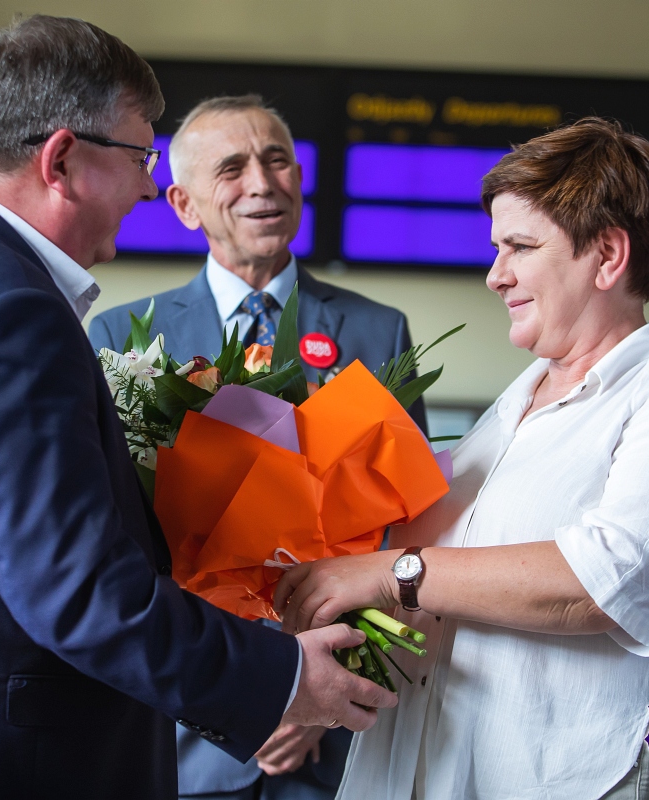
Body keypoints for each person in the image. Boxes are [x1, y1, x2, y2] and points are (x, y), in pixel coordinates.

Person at [0, 17, 394, 799]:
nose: (146, 188)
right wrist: (281, 677)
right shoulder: (11, 312)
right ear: (62, 160)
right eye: (138, 158)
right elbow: (78, 589)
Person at [273, 117, 649, 800]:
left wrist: (389, 571)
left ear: (607, 256)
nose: (495, 276)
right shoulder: (501, 420)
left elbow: (603, 583)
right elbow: (435, 606)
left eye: (520, 247)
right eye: (496, 248)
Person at [89, 94, 424, 800]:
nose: (263, 184)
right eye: (232, 168)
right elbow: (114, 544)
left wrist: (323, 688)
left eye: (278, 162)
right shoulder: (121, 340)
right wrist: (245, 693)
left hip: (336, 736)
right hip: (185, 733)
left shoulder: (379, 332)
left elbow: (412, 530)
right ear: (183, 204)